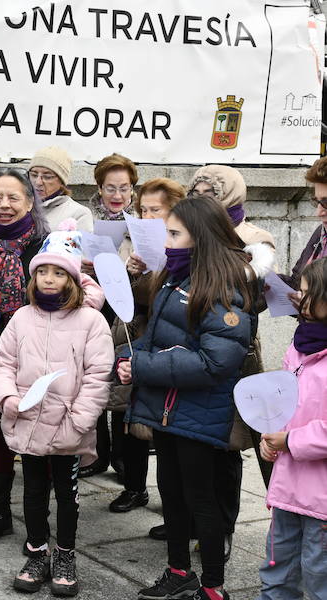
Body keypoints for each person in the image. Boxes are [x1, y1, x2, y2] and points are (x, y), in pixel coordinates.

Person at [0, 170, 103, 550]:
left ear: (31, 203)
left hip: (41, 362)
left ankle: (45, 522)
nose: (3, 205)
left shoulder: (46, 250)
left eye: (14, 197)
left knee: (44, 443)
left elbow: (83, 294)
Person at [118, 193, 266, 600]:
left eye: (174, 233)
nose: (165, 240)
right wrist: (126, 358)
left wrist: (143, 367)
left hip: (199, 414)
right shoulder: (174, 276)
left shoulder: (225, 287)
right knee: (171, 492)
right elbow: (156, 336)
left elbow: (215, 363)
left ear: (199, 238)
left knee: (202, 500)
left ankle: (214, 587)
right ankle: (178, 571)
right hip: (166, 409)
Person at [0, 223, 114, 595]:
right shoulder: (22, 317)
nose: (48, 278)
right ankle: (37, 549)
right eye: (42, 271)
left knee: (66, 491)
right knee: (32, 490)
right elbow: (3, 365)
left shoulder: (91, 321)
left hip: (67, 426)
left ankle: (64, 553)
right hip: (27, 421)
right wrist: (9, 400)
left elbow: (97, 377)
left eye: (58, 272)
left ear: (72, 279)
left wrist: (78, 422)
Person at [189, 165, 277, 560]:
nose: (202, 196)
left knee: (227, 446)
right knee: (191, 441)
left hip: (235, 354)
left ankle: (222, 528)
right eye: (197, 190)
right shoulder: (190, 230)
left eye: (210, 192)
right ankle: (193, 519)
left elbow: (257, 301)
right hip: (193, 348)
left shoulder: (256, 240)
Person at [107, 178, 186, 516]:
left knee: (161, 425)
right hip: (132, 336)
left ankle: (175, 505)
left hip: (165, 345)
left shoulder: (184, 244)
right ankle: (134, 487)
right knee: (125, 414)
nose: (149, 215)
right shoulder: (134, 237)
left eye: (157, 209)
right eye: (144, 209)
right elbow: (126, 296)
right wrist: (131, 272)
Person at [257, 258, 327, 599]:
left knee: (319, 575)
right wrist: (269, 435)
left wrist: (292, 440)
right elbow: (282, 398)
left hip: (322, 498)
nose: (298, 300)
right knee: (276, 566)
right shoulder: (299, 345)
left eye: (307, 293)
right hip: (287, 488)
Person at [80, 153, 139, 479]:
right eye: (110, 188)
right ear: (99, 188)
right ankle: (95, 453)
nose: (117, 196)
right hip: (94, 309)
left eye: (124, 188)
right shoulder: (85, 220)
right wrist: (83, 266)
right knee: (93, 379)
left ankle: (123, 459)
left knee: (123, 382)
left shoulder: (142, 224)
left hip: (127, 313)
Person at [281, 156, 327, 290]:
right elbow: (296, 282)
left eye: (326, 203)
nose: (319, 212)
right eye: (317, 202)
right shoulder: (321, 232)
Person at [27, 146, 92, 231]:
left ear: (62, 182)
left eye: (47, 177)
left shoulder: (79, 214)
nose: (38, 182)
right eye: (34, 175)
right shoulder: (18, 206)